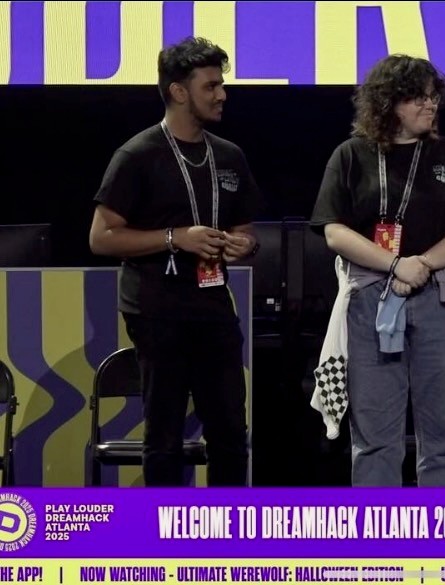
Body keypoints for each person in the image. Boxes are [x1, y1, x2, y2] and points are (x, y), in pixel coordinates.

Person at [310, 54, 445, 487]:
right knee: (374, 438)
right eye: (419, 99)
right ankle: (380, 544)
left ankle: (442, 543)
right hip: (371, 300)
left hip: (440, 300)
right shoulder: (351, 155)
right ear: (389, 103)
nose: (431, 106)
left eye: (434, 98)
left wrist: (423, 264)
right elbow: (333, 231)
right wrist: (395, 264)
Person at [89, 37, 261, 486]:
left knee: (229, 433)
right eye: (211, 86)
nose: (222, 94)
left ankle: (229, 537)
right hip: (156, 309)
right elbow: (102, 237)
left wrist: (243, 244)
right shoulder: (137, 155)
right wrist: (175, 238)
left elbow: (245, 230)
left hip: (213, 306)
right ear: (179, 92)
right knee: (162, 435)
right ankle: (159, 538)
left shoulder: (230, 156)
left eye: (222, 85)